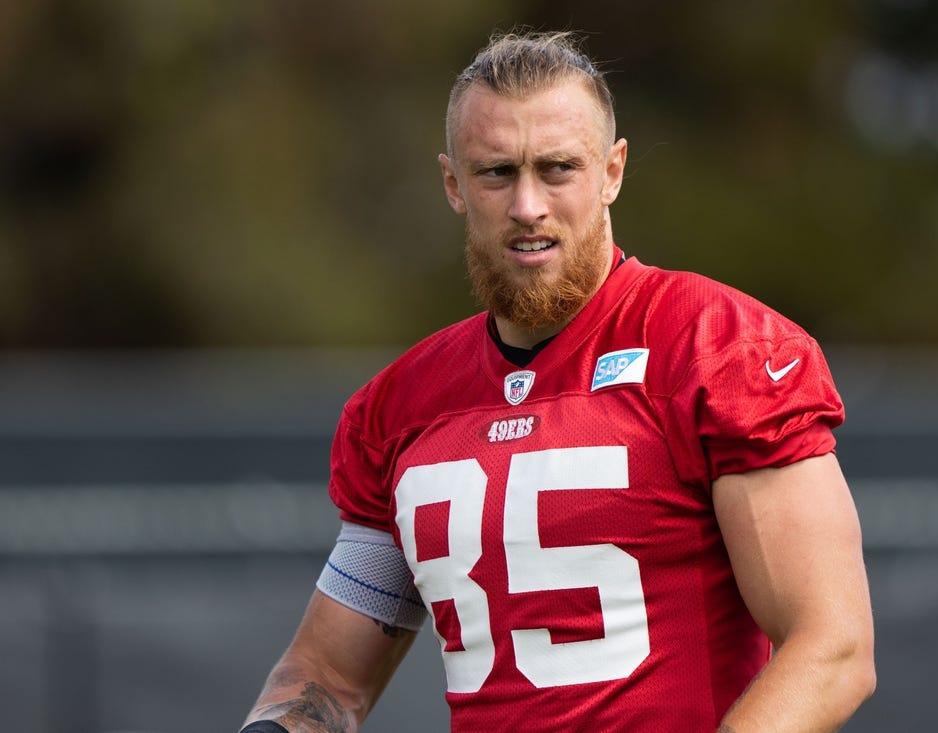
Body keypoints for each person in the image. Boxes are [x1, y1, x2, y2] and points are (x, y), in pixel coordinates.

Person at [240, 30, 875, 733]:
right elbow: (325, 678)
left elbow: (832, 647)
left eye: (558, 169)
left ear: (612, 171)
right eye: (498, 173)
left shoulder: (716, 348)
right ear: (454, 184)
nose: (528, 206)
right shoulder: (401, 408)